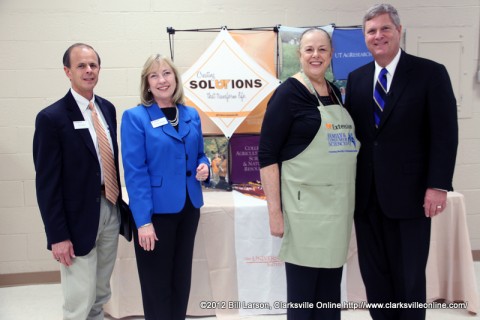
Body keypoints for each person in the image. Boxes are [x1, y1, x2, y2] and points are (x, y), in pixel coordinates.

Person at [345, 4, 458, 320]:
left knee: (408, 279)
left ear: (399, 30)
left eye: (384, 29)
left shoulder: (430, 73)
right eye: (371, 31)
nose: (378, 36)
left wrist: (437, 185)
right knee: (375, 276)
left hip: (411, 197)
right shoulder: (356, 79)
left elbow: (444, 135)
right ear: (364, 38)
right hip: (366, 197)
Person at [259, 28, 360, 319]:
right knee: (304, 299)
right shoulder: (287, 93)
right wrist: (274, 212)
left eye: (322, 50)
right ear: (299, 54)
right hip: (303, 213)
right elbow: (267, 155)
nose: (316, 56)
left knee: (329, 297)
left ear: (331, 55)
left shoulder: (336, 92)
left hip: (336, 211)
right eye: (309, 50)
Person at [33, 43, 122, 320]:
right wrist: (57, 236)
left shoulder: (107, 109)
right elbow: (47, 184)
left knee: (101, 292)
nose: (88, 70)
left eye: (93, 65)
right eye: (81, 65)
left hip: (109, 207)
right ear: (67, 71)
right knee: (78, 299)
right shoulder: (52, 118)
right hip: (76, 219)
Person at [121, 54, 210, 319]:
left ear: (175, 78)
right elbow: (135, 173)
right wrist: (143, 222)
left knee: (181, 280)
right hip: (155, 215)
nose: (162, 80)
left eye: (167, 73)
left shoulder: (190, 114)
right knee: (156, 285)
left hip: (188, 208)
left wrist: (205, 167)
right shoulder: (135, 117)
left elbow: (200, 155)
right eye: (154, 75)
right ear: (147, 83)